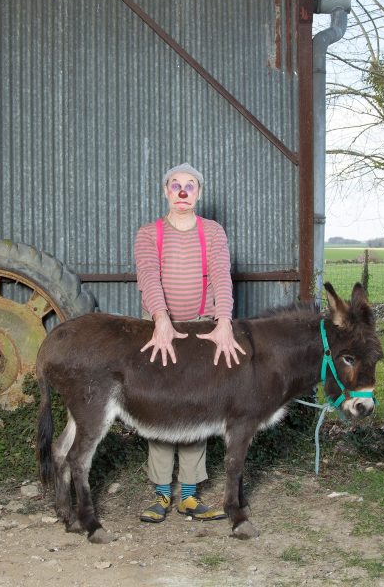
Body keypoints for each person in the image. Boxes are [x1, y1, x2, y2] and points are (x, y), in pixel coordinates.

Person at [133, 162, 246, 523]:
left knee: (197, 406)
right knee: (161, 406)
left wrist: (224, 322)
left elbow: (221, 278)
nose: (183, 191)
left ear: (199, 192)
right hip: (160, 329)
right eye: (176, 185)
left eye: (190, 186)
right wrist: (161, 321)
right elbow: (149, 277)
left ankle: (189, 495)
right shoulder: (149, 234)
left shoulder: (212, 232)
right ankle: (162, 494)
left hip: (201, 328)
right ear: (166, 190)